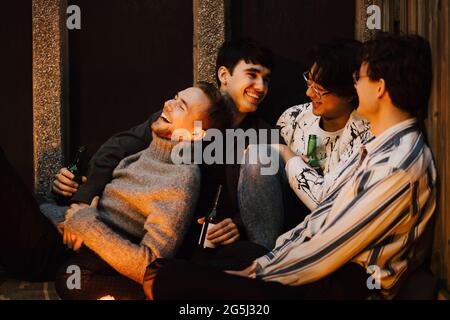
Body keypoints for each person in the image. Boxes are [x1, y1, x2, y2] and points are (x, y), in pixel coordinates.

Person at [147, 32, 437, 300]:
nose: (355, 86)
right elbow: (324, 219)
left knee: (168, 279)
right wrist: (265, 259)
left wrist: (259, 272)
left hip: (344, 281)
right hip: (306, 258)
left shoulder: (397, 164)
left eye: (359, 79)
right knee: (196, 266)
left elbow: (331, 245)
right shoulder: (378, 146)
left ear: (380, 88)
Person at [0, 82, 229, 300]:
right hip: (58, 234)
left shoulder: (181, 180)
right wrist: (59, 211)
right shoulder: (141, 154)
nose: (168, 103)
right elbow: (80, 214)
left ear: (198, 134)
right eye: (175, 97)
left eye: (181, 106)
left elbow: (151, 267)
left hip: (64, 255)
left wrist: (86, 224)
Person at [51, 39, 274, 251]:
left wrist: (238, 224)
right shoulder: (181, 114)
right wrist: (81, 199)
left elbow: (265, 201)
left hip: (199, 246)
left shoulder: (263, 135)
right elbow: (117, 148)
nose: (260, 87)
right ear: (224, 75)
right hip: (133, 228)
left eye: (266, 80)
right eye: (252, 75)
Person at [239, 40, 372, 249]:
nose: (309, 93)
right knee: (258, 156)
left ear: (349, 93)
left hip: (328, 232)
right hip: (281, 220)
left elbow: (328, 205)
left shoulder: (363, 133)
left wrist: (286, 153)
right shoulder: (293, 118)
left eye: (319, 89)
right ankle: (261, 253)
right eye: (309, 82)